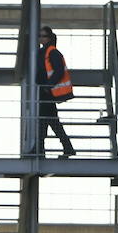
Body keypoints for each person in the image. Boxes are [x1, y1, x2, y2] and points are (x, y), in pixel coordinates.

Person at [34, 24, 76, 158]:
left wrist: (48, 86)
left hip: (47, 93)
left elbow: (59, 71)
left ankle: (41, 150)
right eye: (39, 36)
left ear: (49, 38)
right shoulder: (42, 52)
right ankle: (42, 149)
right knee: (47, 121)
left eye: (44, 36)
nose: (41, 38)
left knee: (47, 120)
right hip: (44, 92)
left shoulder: (52, 52)